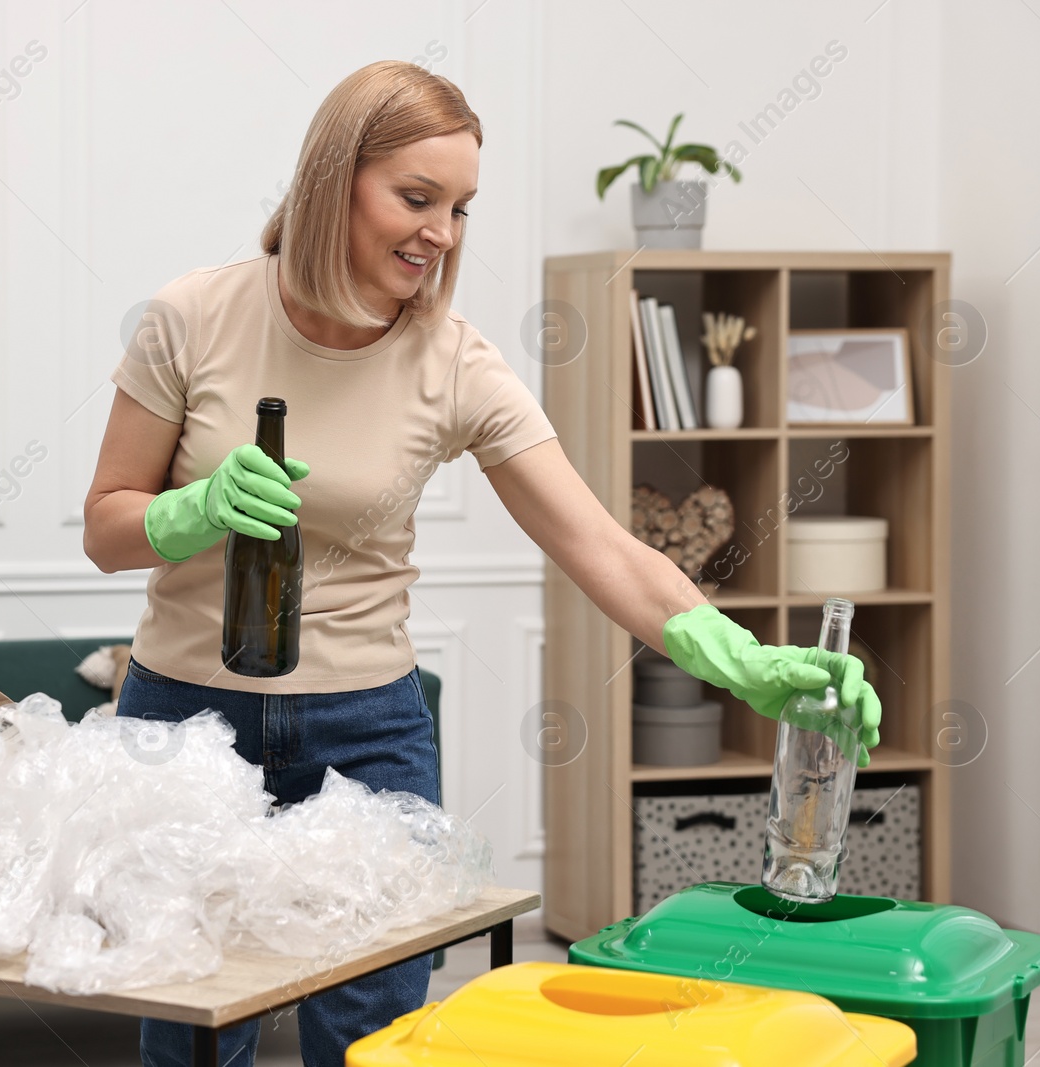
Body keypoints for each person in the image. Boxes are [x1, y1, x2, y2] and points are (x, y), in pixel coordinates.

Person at [82, 59, 881, 1067]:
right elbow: (105, 525)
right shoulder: (192, 318)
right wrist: (190, 514)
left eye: (459, 207)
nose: (441, 233)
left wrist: (742, 659)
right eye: (416, 197)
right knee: (195, 1025)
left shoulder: (454, 363)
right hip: (186, 723)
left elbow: (597, 541)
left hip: (365, 731)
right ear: (333, 181)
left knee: (374, 1037)